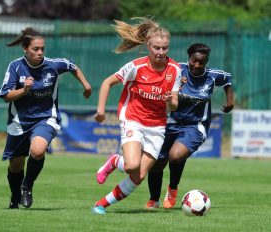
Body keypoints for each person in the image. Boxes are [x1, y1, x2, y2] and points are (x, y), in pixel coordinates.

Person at [92, 17, 182, 215]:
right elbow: (107, 82)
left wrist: (169, 100)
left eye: (164, 48)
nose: (160, 52)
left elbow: (174, 107)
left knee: (139, 176)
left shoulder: (175, 70)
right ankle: (115, 161)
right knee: (132, 165)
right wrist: (100, 111)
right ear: (148, 46)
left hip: (157, 126)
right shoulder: (136, 66)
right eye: (156, 48)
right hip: (133, 119)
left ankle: (101, 204)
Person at [0, 27, 92, 209]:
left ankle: (27, 186)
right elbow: (5, 96)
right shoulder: (15, 67)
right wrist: (23, 90)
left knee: (38, 150)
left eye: (42, 48)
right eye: (35, 49)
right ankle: (15, 195)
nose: (40, 52)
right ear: (25, 49)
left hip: (46, 118)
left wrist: (86, 86)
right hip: (19, 121)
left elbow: (72, 66)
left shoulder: (53, 65)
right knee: (16, 164)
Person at [145, 43, 234, 209]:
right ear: (189, 58)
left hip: (195, 125)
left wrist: (230, 102)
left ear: (206, 61)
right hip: (169, 122)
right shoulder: (177, 69)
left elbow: (228, 79)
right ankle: (154, 199)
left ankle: (172, 188)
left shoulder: (212, 76)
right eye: (194, 61)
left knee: (176, 155)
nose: (197, 65)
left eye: (202, 62)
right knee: (157, 162)